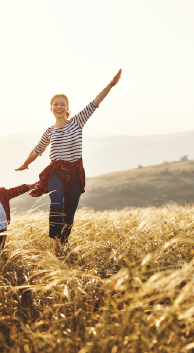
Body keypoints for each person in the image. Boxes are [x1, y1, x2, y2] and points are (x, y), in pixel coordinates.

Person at [16, 69, 122, 253]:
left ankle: (62, 245)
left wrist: (111, 85)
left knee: (69, 214)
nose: (59, 107)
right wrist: (26, 164)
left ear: (67, 107)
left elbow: (95, 103)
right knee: (56, 203)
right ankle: (55, 245)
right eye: (55, 104)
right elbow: (37, 150)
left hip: (75, 172)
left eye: (62, 104)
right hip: (55, 172)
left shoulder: (77, 122)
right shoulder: (49, 131)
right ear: (51, 108)